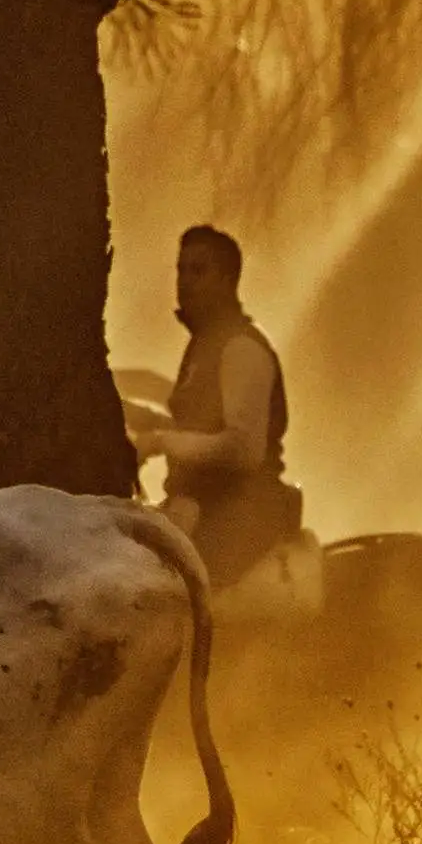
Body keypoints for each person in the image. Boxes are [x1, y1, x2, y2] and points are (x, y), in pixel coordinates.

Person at [131, 226, 305, 594]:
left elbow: (243, 449)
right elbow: (199, 429)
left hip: (243, 514)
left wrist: (161, 441)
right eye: (181, 270)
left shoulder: (242, 348)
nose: (185, 282)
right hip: (207, 509)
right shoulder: (204, 346)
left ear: (228, 279)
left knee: (165, 594)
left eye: (199, 271)